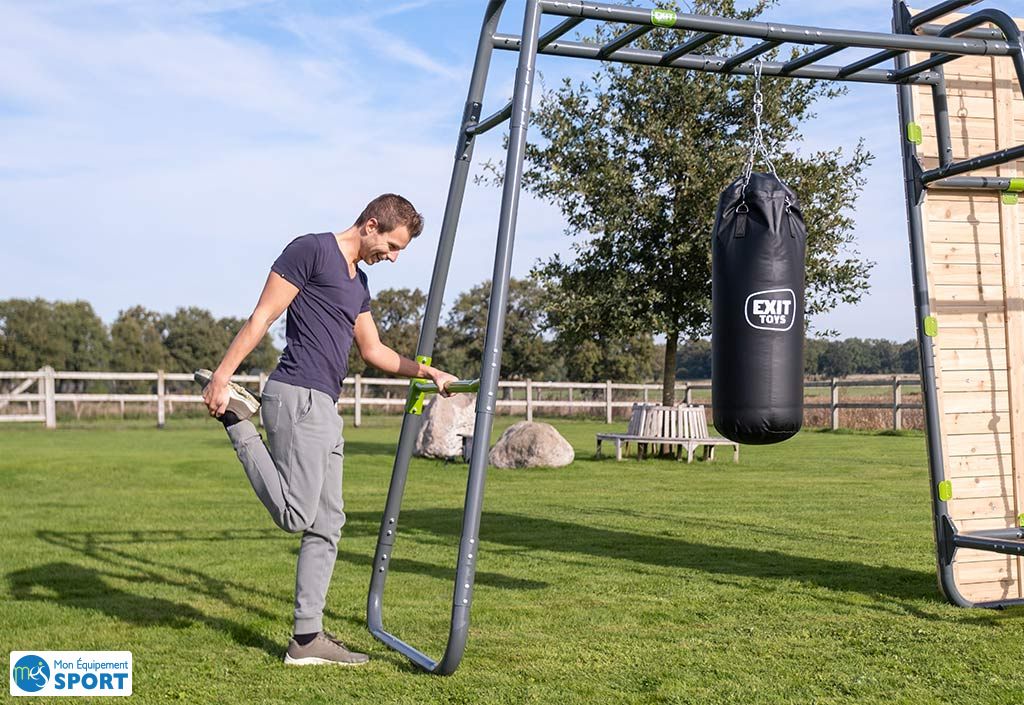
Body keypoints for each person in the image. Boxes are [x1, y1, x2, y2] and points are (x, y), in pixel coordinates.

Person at [195, 193, 459, 666]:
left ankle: (306, 638)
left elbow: (374, 351)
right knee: (298, 515)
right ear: (371, 224)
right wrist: (222, 375)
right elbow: (263, 316)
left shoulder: (359, 285)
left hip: (325, 408)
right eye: (393, 245)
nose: (393, 258)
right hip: (296, 395)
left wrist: (429, 372)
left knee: (328, 522)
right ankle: (238, 420)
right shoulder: (311, 250)